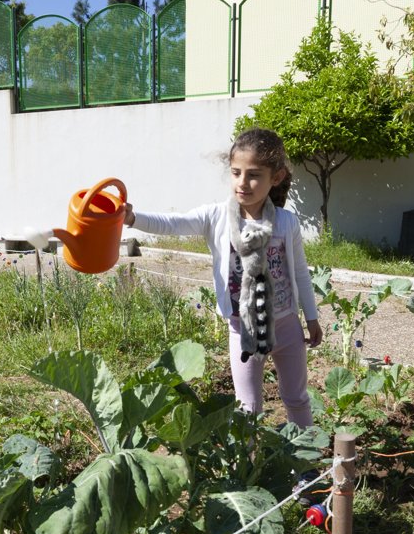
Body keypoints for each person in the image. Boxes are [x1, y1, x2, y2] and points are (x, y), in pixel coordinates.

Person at [123, 127, 323, 426]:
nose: (243, 183)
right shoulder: (215, 217)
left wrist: (311, 317)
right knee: (248, 406)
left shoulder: (286, 222)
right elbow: (173, 223)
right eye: (236, 172)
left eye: (254, 174)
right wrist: (133, 218)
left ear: (276, 178)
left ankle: (304, 465)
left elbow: (299, 273)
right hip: (243, 331)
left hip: (286, 327)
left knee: (296, 398)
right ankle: (250, 468)